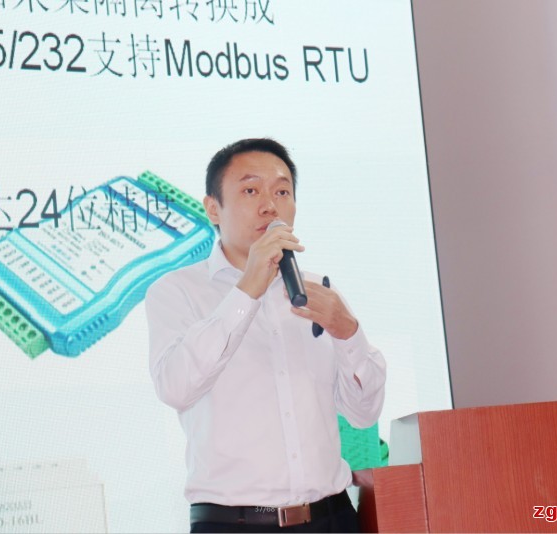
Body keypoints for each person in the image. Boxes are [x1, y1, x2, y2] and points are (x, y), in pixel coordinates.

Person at [145, 138, 387, 533]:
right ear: (213, 208)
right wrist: (247, 291)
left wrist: (348, 332)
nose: (269, 205)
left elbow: (364, 413)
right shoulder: (177, 291)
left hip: (333, 518)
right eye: (250, 190)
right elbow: (175, 387)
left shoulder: (318, 292)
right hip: (236, 523)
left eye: (282, 192)